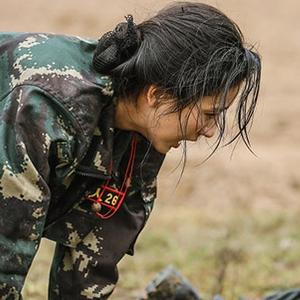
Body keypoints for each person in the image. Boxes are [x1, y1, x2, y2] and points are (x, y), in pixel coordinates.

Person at [0, 2, 261, 299]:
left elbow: (95, 260)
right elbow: (4, 247)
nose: (210, 131)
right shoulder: (46, 108)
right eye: (209, 114)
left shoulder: (141, 139)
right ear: (158, 95)